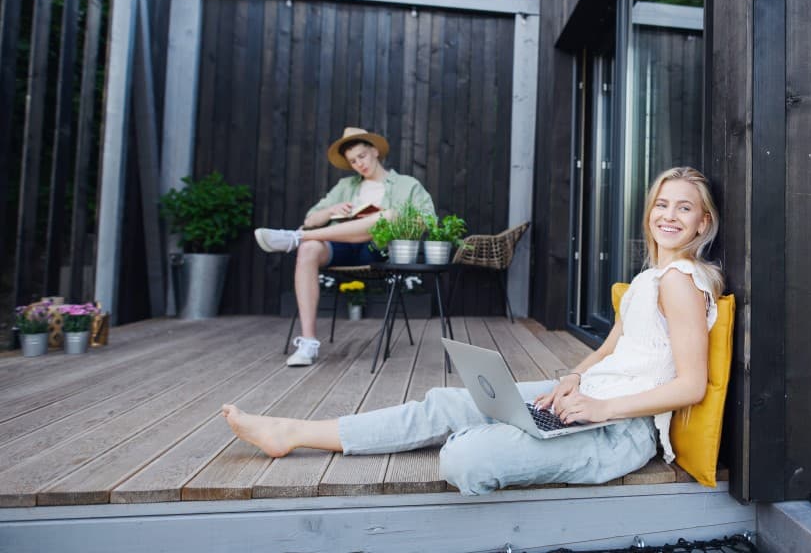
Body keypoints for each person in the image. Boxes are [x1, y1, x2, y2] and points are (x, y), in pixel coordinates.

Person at [223, 166, 723, 495]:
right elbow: (615, 345)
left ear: (703, 223)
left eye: (684, 207)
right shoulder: (647, 279)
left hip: (621, 429)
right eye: (662, 204)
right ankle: (291, 432)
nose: (669, 215)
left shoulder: (681, 282)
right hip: (588, 400)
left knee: (466, 456)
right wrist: (573, 376)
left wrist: (599, 407)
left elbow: (689, 385)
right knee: (445, 402)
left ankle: (503, 431)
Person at [253, 127, 435, 367]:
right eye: (353, 161)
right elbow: (310, 219)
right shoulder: (345, 186)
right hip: (341, 246)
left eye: (362, 156)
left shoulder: (405, 184)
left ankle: (297, 238)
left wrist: (387, 219)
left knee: (388, 215)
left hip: (378, 248)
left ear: (375, 151)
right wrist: (331, 211)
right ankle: (308, 343)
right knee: (309, 251)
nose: (359, 164)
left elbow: (428, 219)